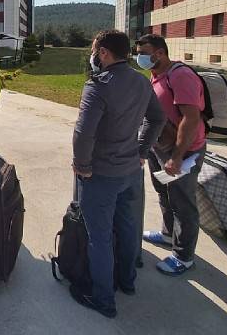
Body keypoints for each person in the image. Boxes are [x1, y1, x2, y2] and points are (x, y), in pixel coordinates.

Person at [71, 30, 165, 318]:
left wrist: (82, 165)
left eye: (94, 50)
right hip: (130, 172)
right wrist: (141, 151)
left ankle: (103, 299)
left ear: (103, 53)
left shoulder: (98, 86)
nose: (92, 55)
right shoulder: (141, 80)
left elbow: (83, 133)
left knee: (98, 238)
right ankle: (127, 282)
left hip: (101, 174)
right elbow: (157, 118)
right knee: (126, 228)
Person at [136, 34, 207, 276]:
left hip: (182, 150)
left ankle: (184, 256)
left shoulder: (181, 76)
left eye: (144, 52)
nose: (140, 57)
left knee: (182, 204)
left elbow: (191, 118)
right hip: (159, 146)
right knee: (163, 193)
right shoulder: (156, 75)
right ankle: (168, 234)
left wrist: (177, 157)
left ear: (160, 53)